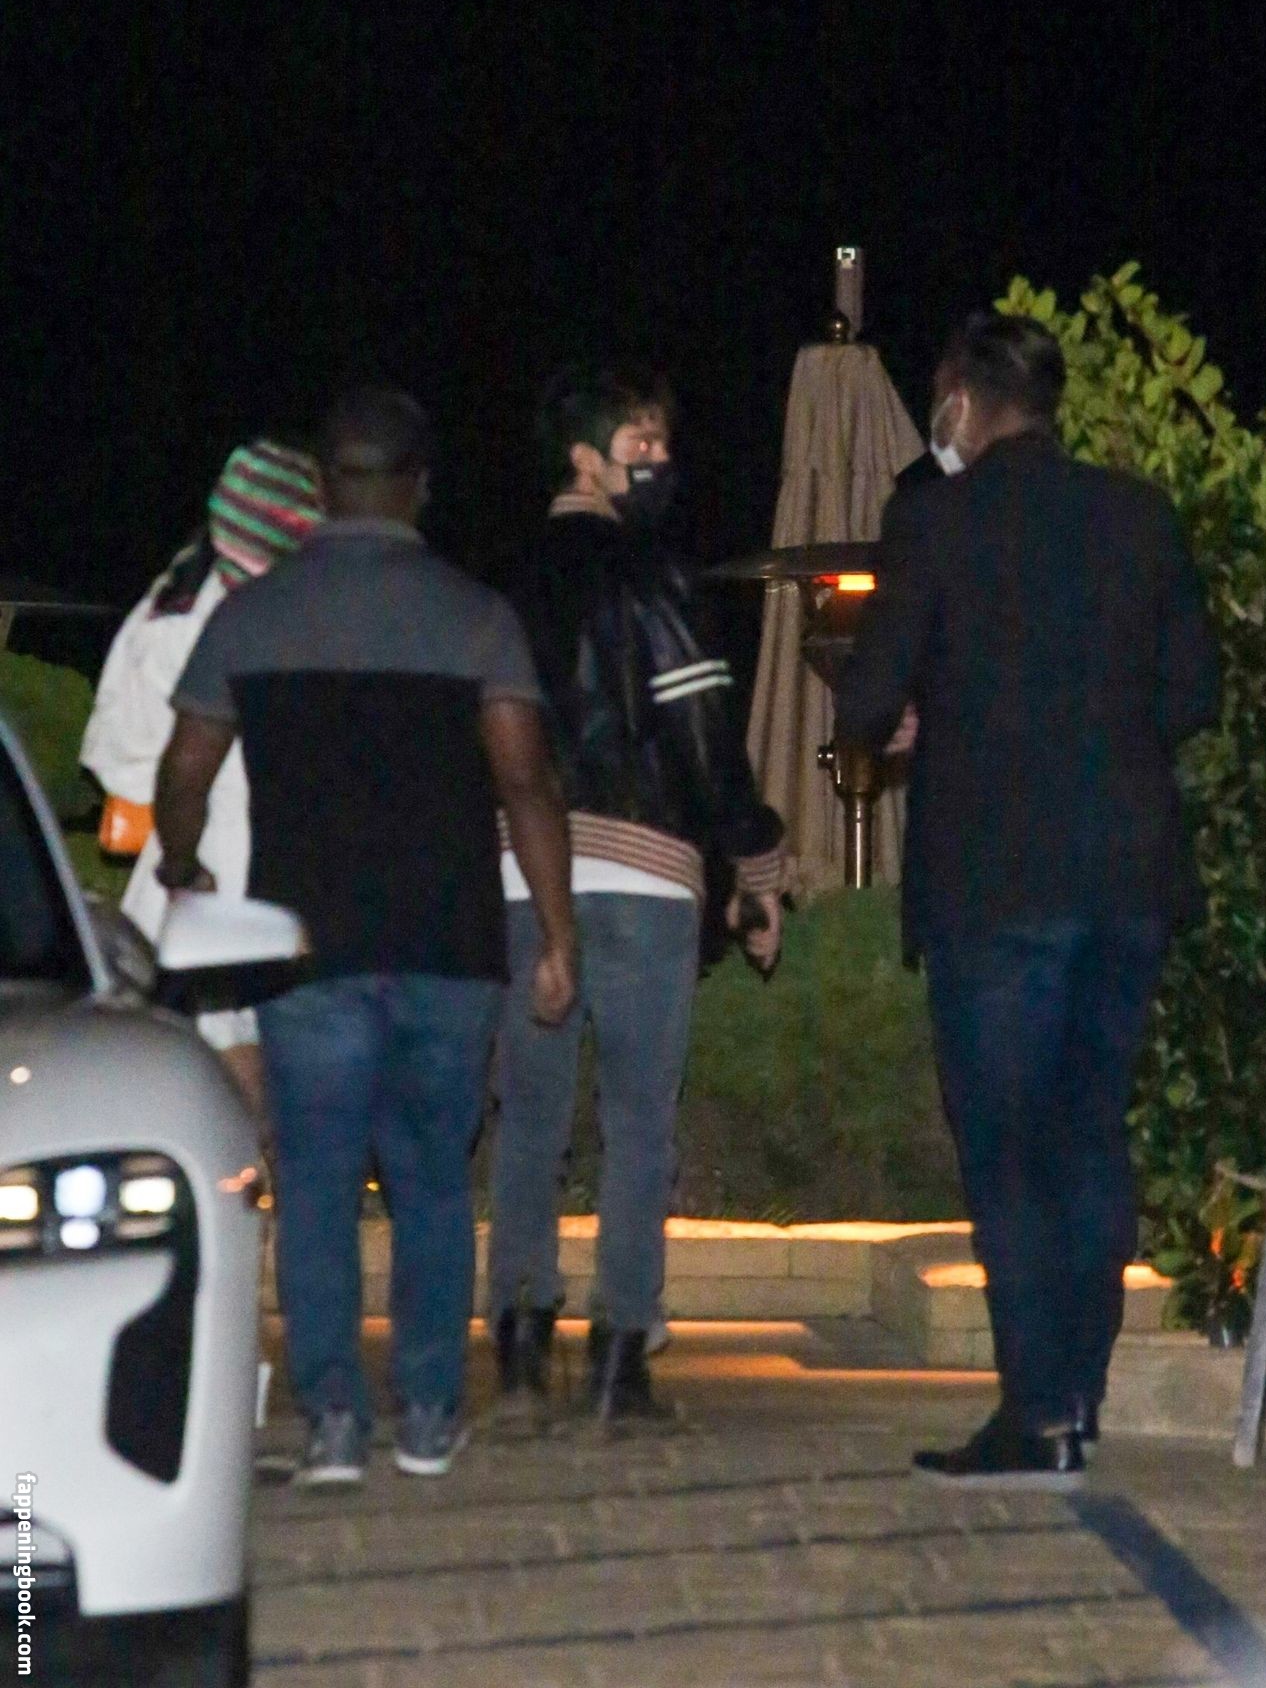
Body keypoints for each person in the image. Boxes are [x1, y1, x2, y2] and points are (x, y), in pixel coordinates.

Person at [153, 387, 576, 1484]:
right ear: (420, 486)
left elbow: (185, 769)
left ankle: (334, 1421)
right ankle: (428, 1413)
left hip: (305, 950)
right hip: (447, 944)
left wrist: (181, 863)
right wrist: (557, 933)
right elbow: (526, 783)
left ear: (321, 488)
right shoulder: (476, 617)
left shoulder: (253, 616)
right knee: (432, 1182)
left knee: (319, 1185)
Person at [835, 312, 1220, 1487]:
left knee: (1003, 1145)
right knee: (1086, 1132)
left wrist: (917, 719)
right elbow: (1190, 692)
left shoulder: (934, 519)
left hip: (993, 880)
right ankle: (1076, 1398)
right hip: (1124, 875)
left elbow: (866, 698)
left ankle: (1035, 1409)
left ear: (959, 397)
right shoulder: (1136, 514)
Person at [488, 365, 784, 1420]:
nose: (659, 462)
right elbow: (702, 734)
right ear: (585, 457)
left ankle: (518, 1340)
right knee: (638, 1125)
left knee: (528, 1120)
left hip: (522, 876)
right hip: (646, 874)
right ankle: (621, 1354)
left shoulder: (505, 585)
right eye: (639, 443)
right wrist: (752, 862)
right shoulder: (655, 576)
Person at [80, 439, 323, 1113]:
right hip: (224, 866)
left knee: (211, 1055)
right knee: (236, 1060)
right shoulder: (270, 617)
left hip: (191, 867)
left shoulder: (172, 603)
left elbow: (114, 749)